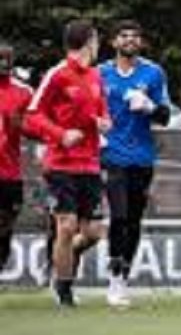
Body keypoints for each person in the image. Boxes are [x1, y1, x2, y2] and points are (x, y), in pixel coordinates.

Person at [26, 19, 109, 307]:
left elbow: (103, 114)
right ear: (88, 41)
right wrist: (61, 135)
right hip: (60, 164)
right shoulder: (57, 75)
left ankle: (59, 262)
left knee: (94, 233)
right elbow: (33, 115)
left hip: (90, 165)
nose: (98, 46)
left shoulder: (97, 77)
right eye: (96, 40)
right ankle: (63, 289)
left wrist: (103, 123)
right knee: (66, 225)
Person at [100, 20, 172, 307]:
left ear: (141, 43)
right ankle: (115, 278)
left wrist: (149, 106)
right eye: (123, 36)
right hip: (111, 155)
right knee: (118, 216)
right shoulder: (99, 73)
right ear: (114, 42)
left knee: (133, 220)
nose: (129, 40)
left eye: (134, 36)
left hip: (142, 158)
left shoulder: (153, 73)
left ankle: (124, 276)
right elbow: (85, 109)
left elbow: (165, 116)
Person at [0, 42, 33, 269]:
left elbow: (38, 127)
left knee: (5, 227)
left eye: (7, 59)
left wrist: (21, 125)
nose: (3, 63)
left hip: (9, 173)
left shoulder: (24, 92)